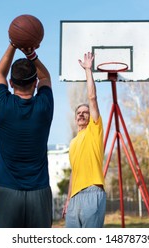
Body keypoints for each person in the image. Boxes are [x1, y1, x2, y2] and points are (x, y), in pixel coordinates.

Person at [0, 42, 54, 228]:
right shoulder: (44, 106)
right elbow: (46, 77)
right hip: (39, 192)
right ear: (35, 84)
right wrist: (31, 55)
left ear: (11, 83)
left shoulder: (2, 104)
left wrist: (12, 44)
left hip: (7, 190)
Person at [62, 52, 106, 228]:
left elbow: (92, 99)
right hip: (74, 199)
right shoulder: (73, 143)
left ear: (90, 117)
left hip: (92, 192)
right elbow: (74, 172)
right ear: (75, 118)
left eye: (85, 112)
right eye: (78, 113)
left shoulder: (94, 130)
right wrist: (68, 200)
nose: (81, 114)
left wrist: (88, 71)